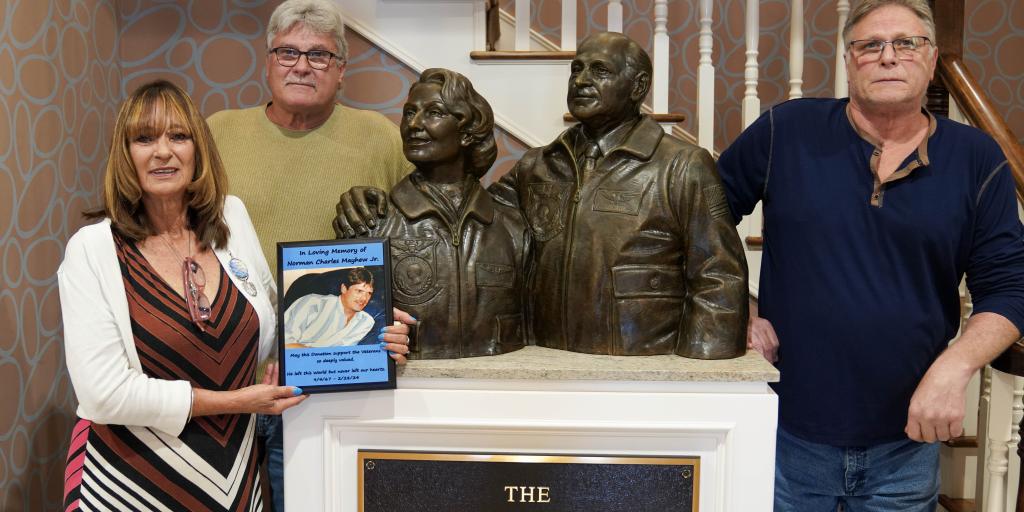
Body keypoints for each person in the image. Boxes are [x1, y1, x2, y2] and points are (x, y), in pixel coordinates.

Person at [717, 0, 1024, 509]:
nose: (888, 57)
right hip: (785, 435)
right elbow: (697, 225)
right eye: (869, 45)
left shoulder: (977, 159)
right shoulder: (785, 131)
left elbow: (1010, 286)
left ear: (930, 60)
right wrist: (738, 310)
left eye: (907, 43)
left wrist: (955, 368)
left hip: (906, 445)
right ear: (847, 60)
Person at [337, 32, 748, 359]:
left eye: (600, 71)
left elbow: (720, 274)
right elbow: (469, 212)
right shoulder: (539, 165)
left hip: (645, 360)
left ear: (638, 86)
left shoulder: (681, 165)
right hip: (547, 357)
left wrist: (699, 372)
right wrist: (373, 202)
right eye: (576, 70)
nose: (582, 81)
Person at [59, 80, 307, 511]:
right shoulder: (93, 249)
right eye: (144, 138)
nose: (162, 151)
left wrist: (369, 329)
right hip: (129, 483)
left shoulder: (232, 216)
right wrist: (238, 402)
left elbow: (268, 324)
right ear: (125, 155)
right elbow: (103, 393)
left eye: (178, 135)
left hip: (234, 478)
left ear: (198, 149)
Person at [205, 1, 414, 509]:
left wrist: (400, 314)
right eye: (288, 52)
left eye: (320, 56)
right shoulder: (218, 132)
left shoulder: (381, 138)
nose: (302, 65)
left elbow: (413, 245)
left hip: (333, 386)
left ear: (342, 71)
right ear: (268, 61)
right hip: (229, 380)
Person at [345, 68, 530, 359]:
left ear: (468, 133)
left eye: (433, 113)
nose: (414, 125)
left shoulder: (511, 227)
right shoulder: (373, 222)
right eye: (409, 113)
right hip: (404, 395)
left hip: (498, 393)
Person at [284, 267, 376, 348]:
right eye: (359, 291)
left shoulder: (366, 321)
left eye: (369, 293)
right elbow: (285, 343)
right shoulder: (312, 303)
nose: (364, 298)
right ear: (344, 288)